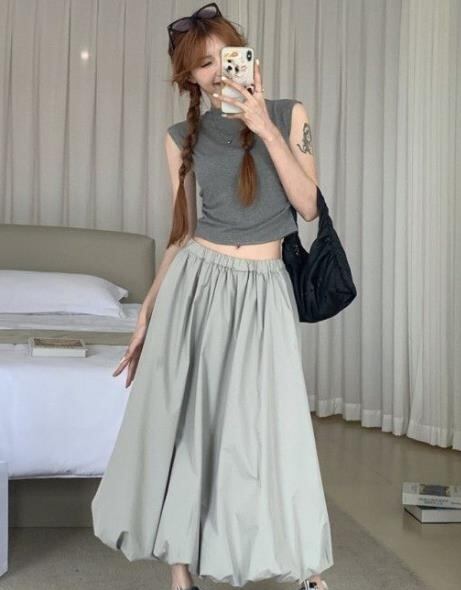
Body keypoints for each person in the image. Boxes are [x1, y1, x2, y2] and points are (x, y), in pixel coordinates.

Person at [91, 4, 333, 590]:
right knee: (190, 423)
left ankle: (304, 564)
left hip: (265, 290)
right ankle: (181, 573)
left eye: (226, 56)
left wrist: (264, 124)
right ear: (189, 79)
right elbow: (181, 233)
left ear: (246, 56)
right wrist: (147, 313)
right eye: (203, 64)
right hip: (198, 285)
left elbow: (307, 206)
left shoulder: (288, 114)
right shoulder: (182, 138)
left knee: (273, 426)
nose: (218, 70)